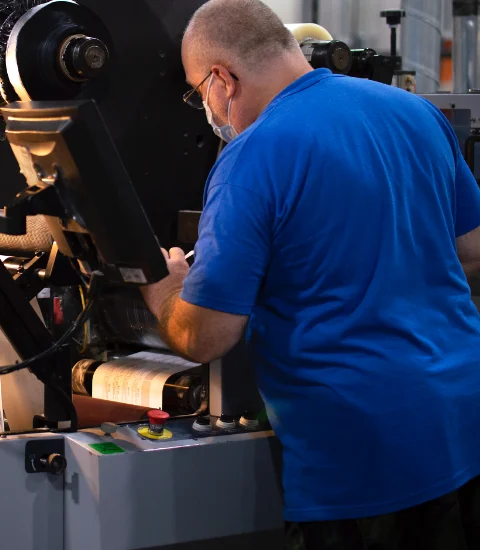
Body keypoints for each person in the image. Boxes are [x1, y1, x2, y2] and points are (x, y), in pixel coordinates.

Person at [139, 0, 480, 548]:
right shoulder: (415, 113)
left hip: (359, 455)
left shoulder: (251, 157)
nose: (206, 106)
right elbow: (471, 250)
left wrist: (163, 284)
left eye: (198, 91)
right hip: (463, 419)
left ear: (222, 79)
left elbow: (205, 336)